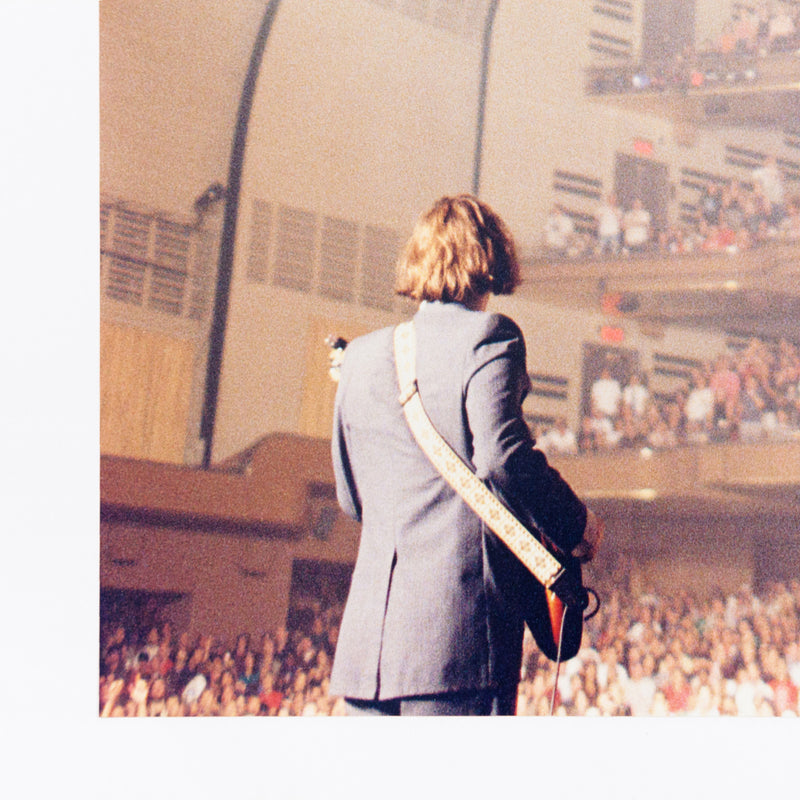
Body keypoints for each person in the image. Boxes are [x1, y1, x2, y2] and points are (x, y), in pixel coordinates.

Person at [329, 194, 604, 716]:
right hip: (456, 643)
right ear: (491, 258)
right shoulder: (490, 337)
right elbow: (502, 458)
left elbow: (351, 498)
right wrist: (577, 524)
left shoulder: (359, 357)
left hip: (369, 651)